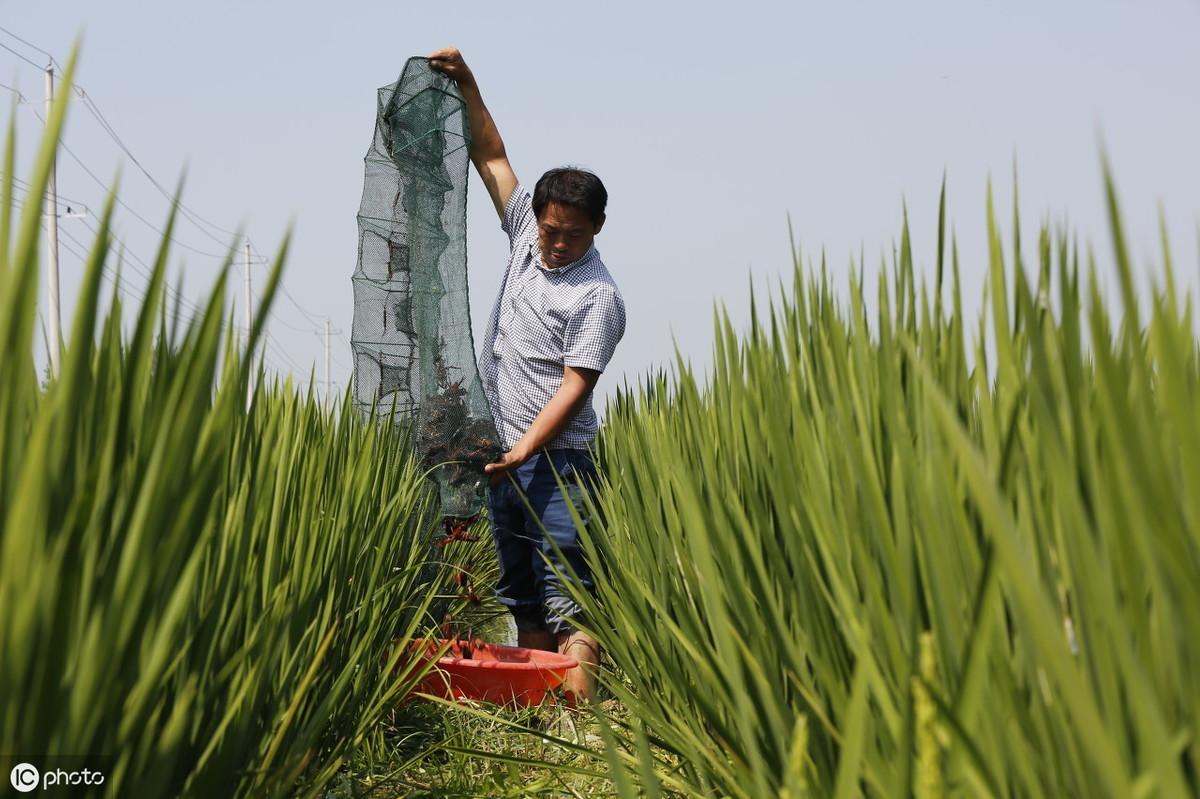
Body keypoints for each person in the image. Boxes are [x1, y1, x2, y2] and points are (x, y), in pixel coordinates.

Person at [428, 47, 626, 702]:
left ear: (597, 227)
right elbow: (491, 158)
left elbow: (575, 387)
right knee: (521, 596)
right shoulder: (523, 234)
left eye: (571, 233)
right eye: (549, 229)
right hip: (504, 459)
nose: (556, 243)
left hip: (557, 464)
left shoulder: (598, 296)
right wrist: (469, 84)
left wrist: (523, 450)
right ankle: (541, 720)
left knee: (568, 596)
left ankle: (582, 729)